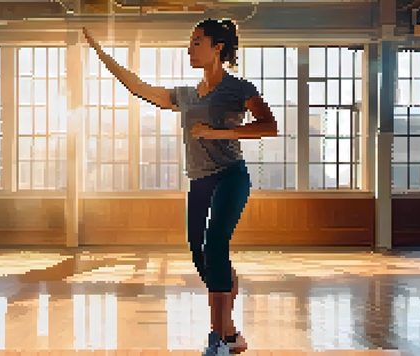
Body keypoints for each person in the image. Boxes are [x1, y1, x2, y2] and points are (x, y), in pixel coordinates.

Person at [82, 18, 278, 356]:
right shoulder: (185, 95)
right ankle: (231, 332)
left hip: (231, 175)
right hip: (200, 180)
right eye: (190, 42)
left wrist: (217, 132)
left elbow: (269, 126)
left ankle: (218, 339)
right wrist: (101, 53)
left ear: (218, 48)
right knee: (200, 254)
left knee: (215, 244)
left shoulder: (239, 88)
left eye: (198, 41)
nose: (190, 48)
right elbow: (139, 87)